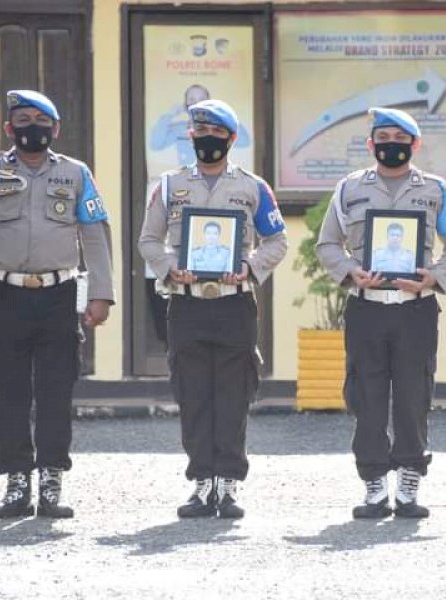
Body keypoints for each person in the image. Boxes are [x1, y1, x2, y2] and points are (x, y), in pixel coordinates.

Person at [0, 90, 114, 519]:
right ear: (9, 128)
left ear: (55, 128)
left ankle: (50, 480)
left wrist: (101, 293)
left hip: (59, 295)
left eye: (40, 120)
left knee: (56, 390)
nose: (31, 127)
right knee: (8, 391)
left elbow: (94, 235)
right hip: (4, 295)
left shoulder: (77, 174)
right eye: (21, 119)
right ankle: (16, 481)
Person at [317, 107, 446, 519]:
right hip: (367, 310)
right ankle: (373, 483)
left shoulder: (436, 191)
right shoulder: (349, 189)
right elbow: (327, 244)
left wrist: (432, 278)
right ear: (371, 144)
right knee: (365, 397)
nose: (391, 146)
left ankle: (408, 482)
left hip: (414, 310)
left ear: (415, 145)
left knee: (412, 396)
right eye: (383, 138)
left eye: (400, 140)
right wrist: (350, 272)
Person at [139, 99, 287, 519]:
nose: (208, 138)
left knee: (234, 394)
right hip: (186, 305)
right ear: (190, 135)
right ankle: (202, 482)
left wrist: (249, 268)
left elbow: (277, 240)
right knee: (194, 393)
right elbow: (148, 240)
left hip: (234, 304)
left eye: (216, 132)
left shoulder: (253, 187)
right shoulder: (168, 186)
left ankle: (229, 484)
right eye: (200, 130)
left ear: (231, 138)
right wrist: (169, 268)